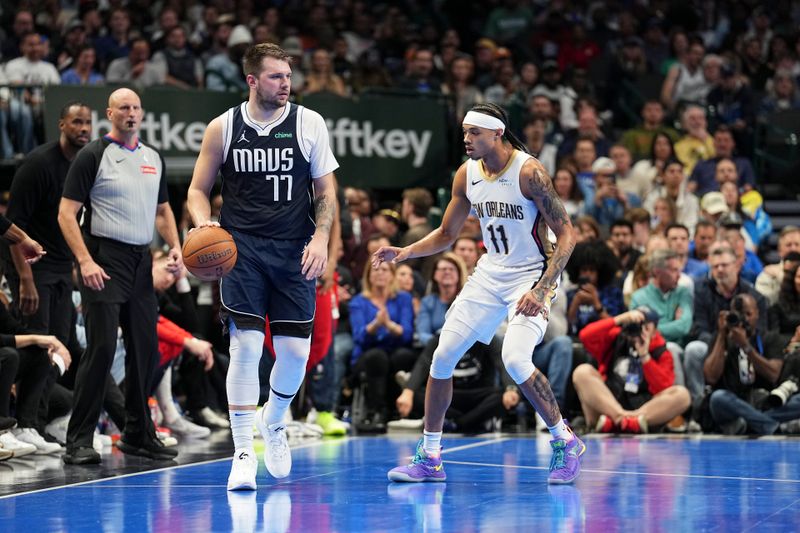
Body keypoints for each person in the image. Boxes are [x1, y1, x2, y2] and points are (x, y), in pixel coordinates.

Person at [376, 102, 584, 485]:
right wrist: (406, 251)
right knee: (442, 357)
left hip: (530, 274)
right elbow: (446, 234)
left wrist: (541, 289)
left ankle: (564, 440)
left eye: (475, 133)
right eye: (465, 132)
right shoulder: (466, 174)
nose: (467, 139)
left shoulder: (529, 171)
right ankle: (430, 457)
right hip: (490, 273)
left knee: (516, 359)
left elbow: (568, 232)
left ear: (497, 134)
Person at [186, 43, 337, 491]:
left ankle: (274, 420)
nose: (285, 83)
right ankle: (242, 451)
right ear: (252, 80)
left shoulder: (309, 122)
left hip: (295, 248)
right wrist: (203, 224)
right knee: (246, 346)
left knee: (294, 354)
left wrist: (323, 238)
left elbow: (326, 192)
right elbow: (197, 190)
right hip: (242, 249)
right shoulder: (223, 127)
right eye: (275, 76)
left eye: (288, 75)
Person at [58, 88, 183, 465]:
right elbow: (66, 214)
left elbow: (163, 210)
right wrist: (85, 261)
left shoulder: (152, 158)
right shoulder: (93, 155)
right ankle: (77, 440)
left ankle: (137, 434)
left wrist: (175, 246)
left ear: (141, 114)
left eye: (136, 108)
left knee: (145, 350)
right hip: (103, 258)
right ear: (110, 113)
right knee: (101, 350)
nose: (130, 113)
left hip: (141, 261)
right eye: (123, 108)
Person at [573, 308, 691, 433]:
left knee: (683, 395)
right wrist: (619, 319)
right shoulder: (616, 337)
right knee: (582, 371)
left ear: (655, 331)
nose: (639, 328)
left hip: (644, 413)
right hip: (606, 409)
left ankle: (625, 421)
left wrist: (645, 357)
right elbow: (585, 336)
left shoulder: (661, 352)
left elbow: (663, 388)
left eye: (644, 325)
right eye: (636, 323)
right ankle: (621, 418)